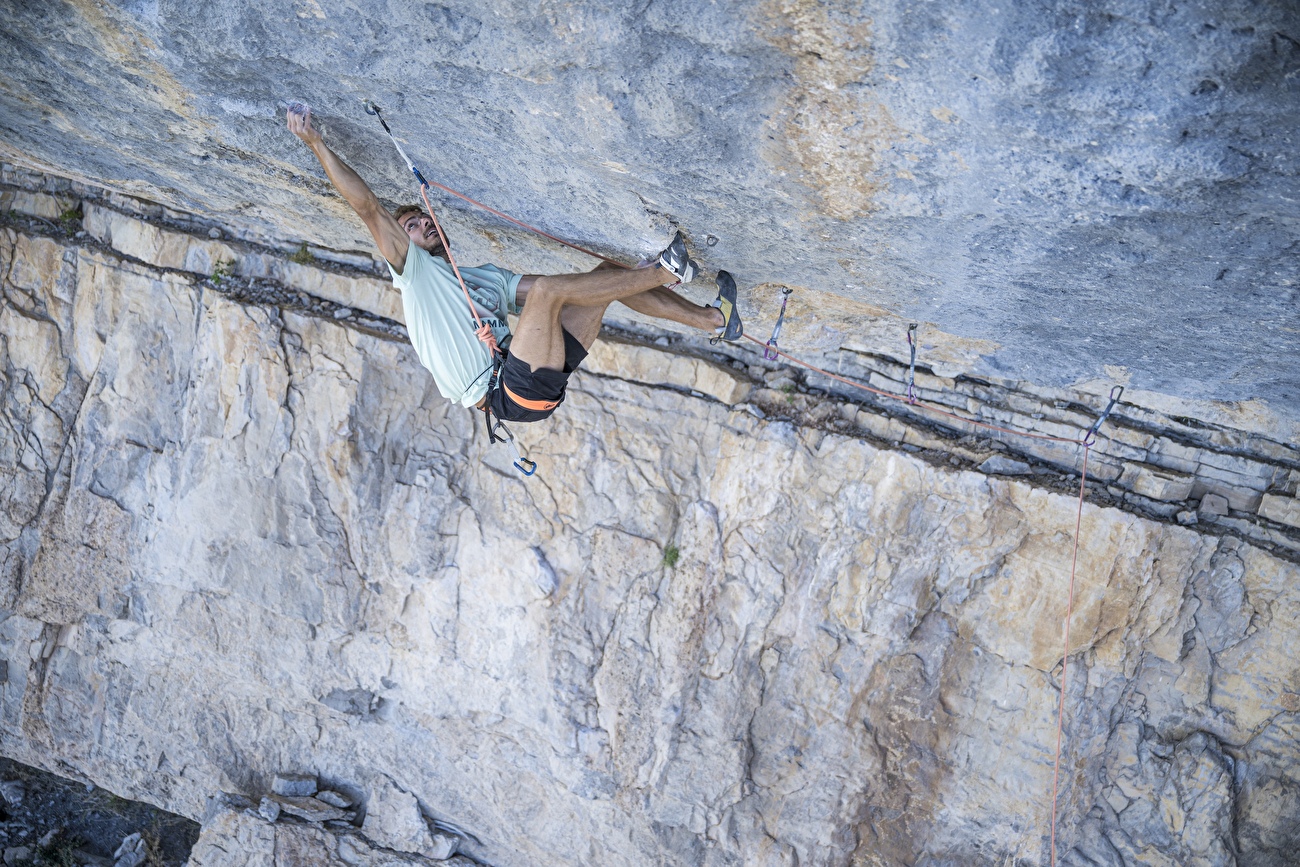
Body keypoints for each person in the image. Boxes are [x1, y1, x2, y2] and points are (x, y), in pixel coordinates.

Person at [286, 104, 742, 426]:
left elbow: (552, 287)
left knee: (602, 277)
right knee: (550, 295)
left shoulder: (479, 280)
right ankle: (667, 270)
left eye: (422, 217)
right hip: (509, 391)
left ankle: (712, 320)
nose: (421, 222)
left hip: (528, 376)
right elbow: (368, 208)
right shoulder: (414, 274)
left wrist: (615, 279)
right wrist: (316, 144)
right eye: (409, 224)